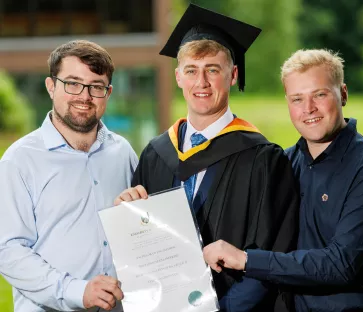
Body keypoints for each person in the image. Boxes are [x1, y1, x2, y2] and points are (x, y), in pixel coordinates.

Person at [114, 4, 299, 311]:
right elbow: (139, 252)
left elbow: (271, 257)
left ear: (233, 75)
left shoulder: (263, 160)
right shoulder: (156, 153)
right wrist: (126, 217)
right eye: (191, 70)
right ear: (178, 77)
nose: (201, 82)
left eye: (213, 70)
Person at [203, 49, 363, 311]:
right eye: (297, 99)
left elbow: (339, 265)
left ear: (343, 94)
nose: (308, 109)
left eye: (319, 94)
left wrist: (246, 259)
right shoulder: (283, 164)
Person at [0, 40, 138, 311]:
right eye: (72, 83)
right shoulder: (19, 160)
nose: (84, 96)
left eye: (96, 87)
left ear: (107, 93)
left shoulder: (123, 152)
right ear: (51, 87)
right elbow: (8, 251)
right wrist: (76, 290)